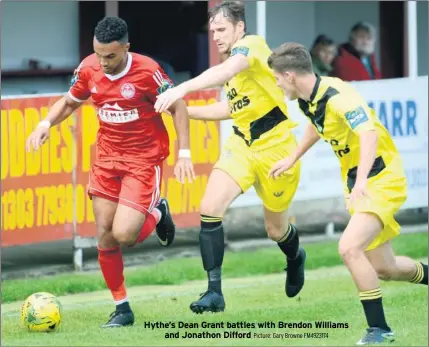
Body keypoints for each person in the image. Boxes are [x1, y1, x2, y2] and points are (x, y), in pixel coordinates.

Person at [26, 16, 195, 328]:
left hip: (143, 159)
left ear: (126, 48)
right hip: (106, 158)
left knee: (125, 235)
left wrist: (185, 152)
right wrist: (45, 123)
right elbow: (69, 102)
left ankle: (158, 211)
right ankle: (122, 308)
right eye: (98, 54)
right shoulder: (89, 66)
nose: (103, 62)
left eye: (111, 56)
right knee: (104, 234)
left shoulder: (148, 71)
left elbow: (178, 106)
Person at [267, 42, 428, 345]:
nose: (275, 83)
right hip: (362, 181)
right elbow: (318, 125)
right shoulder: (308, 99)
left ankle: (379, 329)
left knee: (348, 248)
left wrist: (363, 180)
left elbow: (368, 133)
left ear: (289, 75)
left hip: (381, 177)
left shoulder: (338, 96)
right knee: (385, 268)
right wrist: (293, 156)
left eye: (276, 77)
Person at [155, 1, 306, 314]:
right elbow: (230, 108)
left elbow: (225, 69)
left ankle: (295, 257)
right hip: (242, 145)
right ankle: (214, 293)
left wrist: (180, 90)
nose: (216, 36)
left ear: (240, 27)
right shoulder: (233, 68)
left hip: (277, 150)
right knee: (209, 209)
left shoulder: (251, 46)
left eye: (222, 29)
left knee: (275, 230)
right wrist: (185, 112)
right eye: (212, 31)